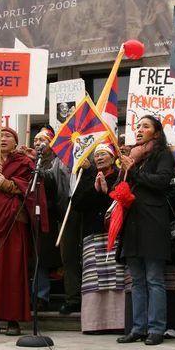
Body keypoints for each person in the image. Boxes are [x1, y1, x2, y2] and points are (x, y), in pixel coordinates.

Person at [0, 127, 48, 336]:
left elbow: (31, 189)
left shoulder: (24, 162)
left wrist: (7, 184)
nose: (3, 139)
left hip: (14, 221)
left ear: (16, 142)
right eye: (0, 136)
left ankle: (13, 319)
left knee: (12, 271)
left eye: (8, 136)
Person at [116, 115, 174, 346]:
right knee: (137, 281)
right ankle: (138, 328)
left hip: (153, 223)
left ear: (157, 133)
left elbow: (162, 181)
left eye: (145, 126)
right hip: (132, 224)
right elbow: (121, 187)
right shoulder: (131, 156)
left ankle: (156, 329)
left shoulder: (163, 154)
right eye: (138, 126)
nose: (139, 130)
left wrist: (135, 172)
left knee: (154, 279)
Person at [72, 141, 125, 333]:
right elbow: (76, 204)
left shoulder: (120, 175)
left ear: (113, 158)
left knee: (116, 277)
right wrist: (94, 190)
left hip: (115, 233)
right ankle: (95, 323)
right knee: (95, 278)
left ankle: (118, 322)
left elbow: (123, 200)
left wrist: (106, 192)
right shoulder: (86, 175)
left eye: (104, 154)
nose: (100, 157)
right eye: (97, 155)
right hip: (92, 233)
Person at [20, 125, 69, 312]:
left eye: (43, 140)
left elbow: (54, 184)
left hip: (48, 213)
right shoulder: (31, 161)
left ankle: (41, 295)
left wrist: (37, 167)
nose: (38, 143)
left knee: (41, 256)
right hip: (28, 213)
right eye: (36, 140)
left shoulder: (57, 161)